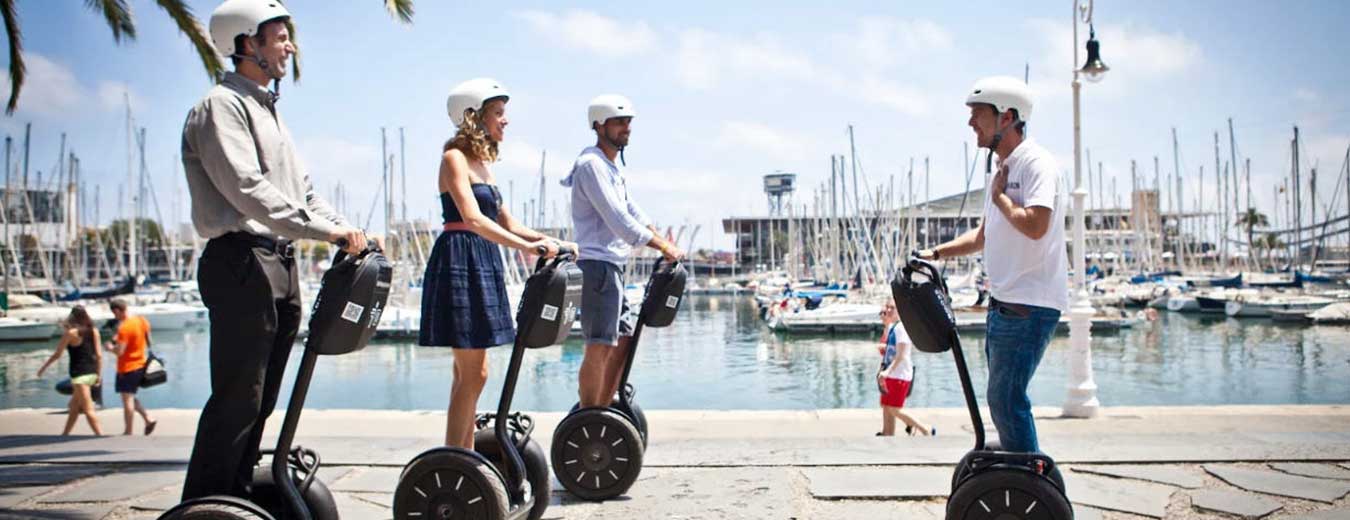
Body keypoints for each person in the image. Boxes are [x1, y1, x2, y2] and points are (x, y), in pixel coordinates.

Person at [180, 0, 368, 500]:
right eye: (279, 37)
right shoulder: (221, 107)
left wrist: (345, 227)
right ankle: (207, 504)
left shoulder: (268, 112)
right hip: (240, 261)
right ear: (247, 44)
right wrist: (323, 234)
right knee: (238, 397)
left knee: (262, 400)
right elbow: (247, 190)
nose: (289, 46)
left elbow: (303, 194)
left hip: (277, 263)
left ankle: (238, 497)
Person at [916, 76, 1068, 454]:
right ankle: (1018, 474)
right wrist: (935, 254)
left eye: (977, 114)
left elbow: (1036, 225)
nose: (971, 123)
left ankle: (1029, 485)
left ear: (1007, 117)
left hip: (1028, 305)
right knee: (1001, 400)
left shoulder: (1036, 164)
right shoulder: (1001, 170)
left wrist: (1000, 197)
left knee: (1007, 400)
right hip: (1005, 305)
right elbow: (983, 236)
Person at [420, 78, 573, 449]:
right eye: (499, 114)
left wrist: (548, 240)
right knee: (473, 374)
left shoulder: (484, 164)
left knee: (473, 374)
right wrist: (525, 247)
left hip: (483, 257)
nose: (505, 121)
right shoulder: (453, 158)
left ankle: (461, 455)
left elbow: (508, 223)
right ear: (474, 116)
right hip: (462, 256)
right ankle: (458, 458)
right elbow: (472, 218)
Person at [561, 94, 684, 408]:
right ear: (599, 126)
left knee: (624, 339)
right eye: (619, 122)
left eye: (628, 122)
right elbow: (620, 223)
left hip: (612, 268)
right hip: (597, 267)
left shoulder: (611, 168)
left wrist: (668, 246)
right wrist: (662, 246)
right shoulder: (591, 165)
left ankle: (603, 409)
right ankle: (588, 417)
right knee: (599, 346)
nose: (626, 128)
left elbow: (636, 216)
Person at [36, 306, 105, 436]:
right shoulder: (94, 331)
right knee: (74, 407)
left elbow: (57, 354)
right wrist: (99, 375)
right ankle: (65, 434)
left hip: (79, 375)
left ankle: (100, 436)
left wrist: (43, 368)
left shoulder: (71, 333)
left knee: (88, 409)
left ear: (72, 317)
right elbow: (99, 355)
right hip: (92, 371)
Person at [876, 301, 932, 437]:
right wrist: (886, 324)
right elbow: (887, 347)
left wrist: (887, 372)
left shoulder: (902, 328)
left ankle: (924, 428)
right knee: (886, 407)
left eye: (892, 308)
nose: (888, 310)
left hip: (899, 374)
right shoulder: (893, 327)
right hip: (891, 374)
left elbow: (901, 355)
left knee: (895, 409)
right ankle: (887, 433)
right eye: (887, 307)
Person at [103, 299, 157, 436]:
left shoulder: (124, 328)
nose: (115, 316)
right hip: (141, 363)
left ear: (117, 311)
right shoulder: (141, 321)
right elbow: (149, 340)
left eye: (114, 313)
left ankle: (128, 431)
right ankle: (148, 419)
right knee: (131, 397)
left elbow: (119, 351)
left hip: (127, 367)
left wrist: (109, 348)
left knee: (127, 400)